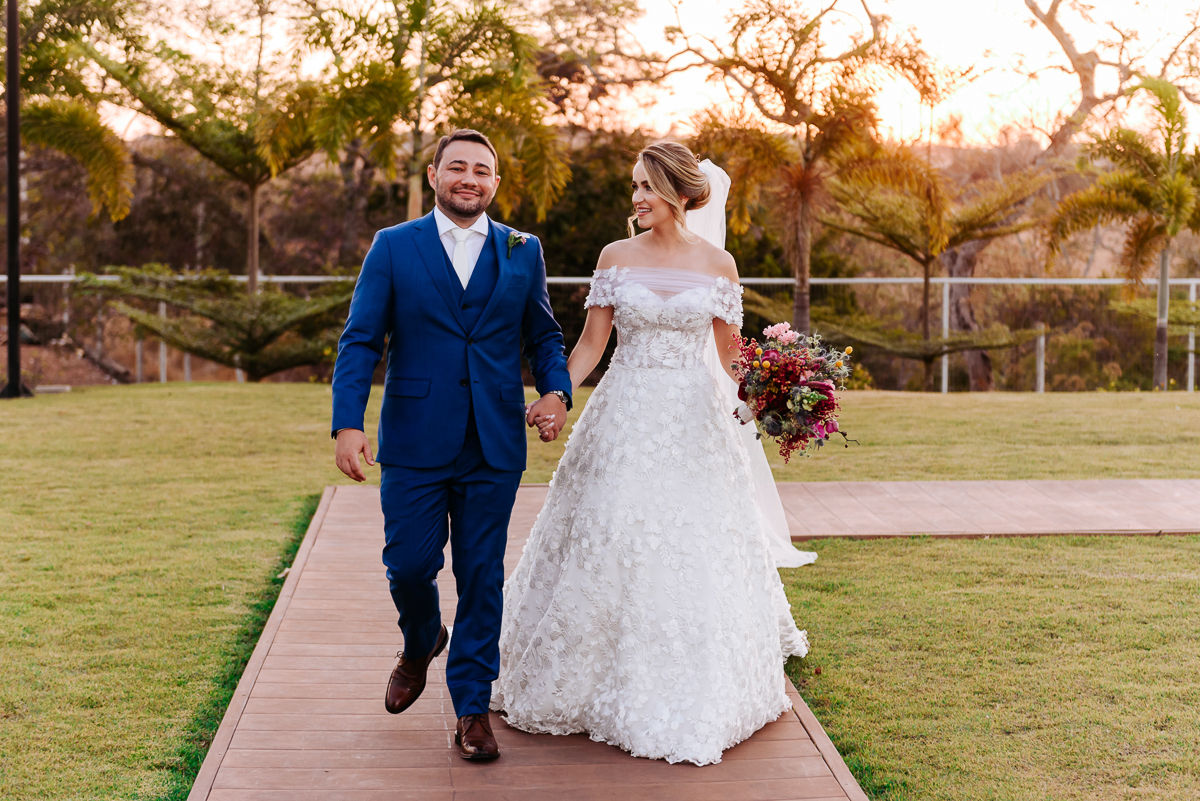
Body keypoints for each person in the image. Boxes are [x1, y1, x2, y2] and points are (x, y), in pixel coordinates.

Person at [492, 142, 809, 766]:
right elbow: (589, 344)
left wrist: (778, 391)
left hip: (694, 423)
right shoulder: (616, 258)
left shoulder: (719, 265)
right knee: (609, 533)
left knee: (690, 542)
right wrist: (557, 394)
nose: (635, 198)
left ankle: (691, 680)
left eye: (647, 187)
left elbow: (729, 355)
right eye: (634, 185)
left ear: (680, 193)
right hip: (623, 416)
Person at [330, 129, 572, 762]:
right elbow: (360, 340)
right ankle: (419, 641)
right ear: (434, 175)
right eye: (457, 167)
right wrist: (347, 422)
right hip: (413, 438)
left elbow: (543, 336)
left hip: (494, 440)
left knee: (482, 575)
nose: (470, 178)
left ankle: (471, 708)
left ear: (495, 183)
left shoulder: (523, 250)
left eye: (483, 171)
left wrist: (556, 393)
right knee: (409, 565)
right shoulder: (393, 247)